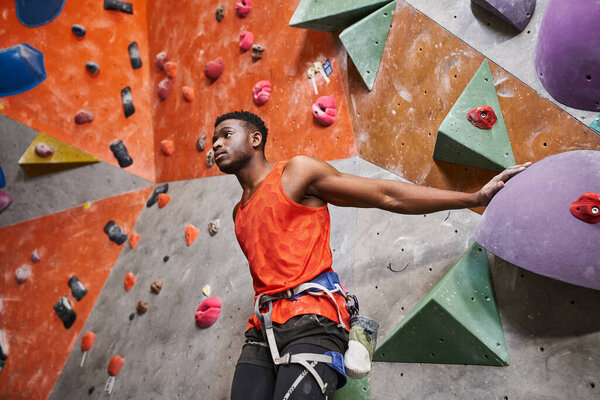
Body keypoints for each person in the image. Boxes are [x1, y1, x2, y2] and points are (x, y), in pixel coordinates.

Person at [213, 110, 529, 400]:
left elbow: (386, 195)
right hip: (262, 329)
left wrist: (473, 197)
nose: (216, 144)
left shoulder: (296, 173)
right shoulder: (237, 213)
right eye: (214, 140)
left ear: (255, 139)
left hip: (312, 321)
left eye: (226, 134)